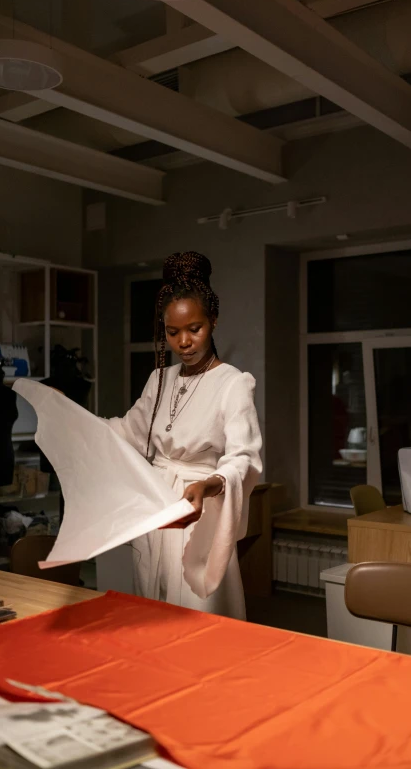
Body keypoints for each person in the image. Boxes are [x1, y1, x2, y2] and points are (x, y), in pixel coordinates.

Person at [105, 252, 262, 619]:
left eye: (195, 328)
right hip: (157, 507)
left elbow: (244, 457)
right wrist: (78, 420)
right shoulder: (159, 380)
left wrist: (208, 486)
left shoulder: (233, 383)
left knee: (199, 614)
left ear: (214, 322)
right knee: (153, 604)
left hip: (199, 512)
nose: (184, 342)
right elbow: (128, 432)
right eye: (172, 333)